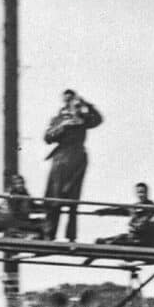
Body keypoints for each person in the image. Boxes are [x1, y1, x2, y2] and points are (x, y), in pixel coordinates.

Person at [41, 89, 103, 241]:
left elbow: (98, 119)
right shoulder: (59, 119)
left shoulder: (83, 119)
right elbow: (47, 137)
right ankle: (50, 233)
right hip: (61, 158)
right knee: (54, 197)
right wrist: (63, 126)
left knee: (73, 198)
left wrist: (87, 104)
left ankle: (71, 236)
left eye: (74, 102)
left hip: (77, 158)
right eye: (68, 101)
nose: (72, 105)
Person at [95, 182, 154, 248]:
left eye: (143, 192)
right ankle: (105, 242)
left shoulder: (152, 207)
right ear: (136, 193)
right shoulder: (134, 207)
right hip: (133, 237)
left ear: (147, 193)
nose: (141, 195)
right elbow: (119, 210)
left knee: (115, 243)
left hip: (145, 241)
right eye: (139, 193)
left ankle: (108, 243)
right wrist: (103, 211)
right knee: (118, 237)